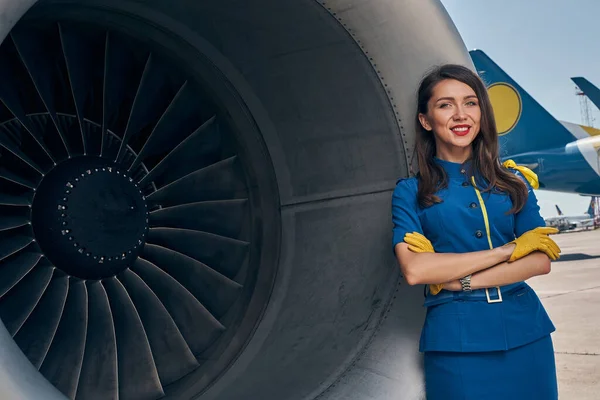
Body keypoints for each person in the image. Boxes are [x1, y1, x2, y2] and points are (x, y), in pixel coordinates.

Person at [391, 64, 561, 399]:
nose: (460, 115)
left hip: (528, 335)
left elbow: (540, 261)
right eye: (445, 105)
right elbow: (416, 270)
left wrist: (457, 279)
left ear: (482, 113)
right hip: (457, 344)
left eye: (470, 103)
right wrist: (508, 250)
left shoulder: (515, 183)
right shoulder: (409, 192)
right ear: (426, 120)